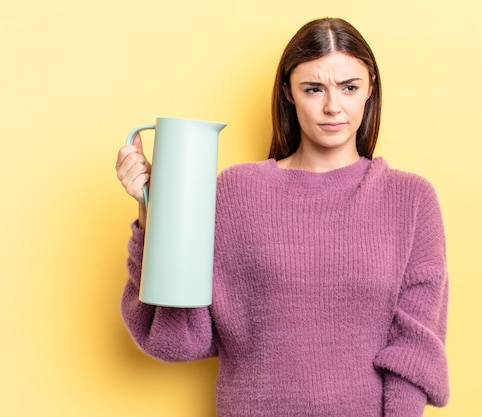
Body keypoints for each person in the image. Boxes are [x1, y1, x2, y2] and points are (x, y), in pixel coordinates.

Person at [115, 17, 449, 417]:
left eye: (349, 87)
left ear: (370, 89)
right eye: (313, 89)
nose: (332, 106)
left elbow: (414, 351)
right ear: (289, 92)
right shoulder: (236, 193)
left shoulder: (410, 199)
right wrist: (152, 210)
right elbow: (176, 339)